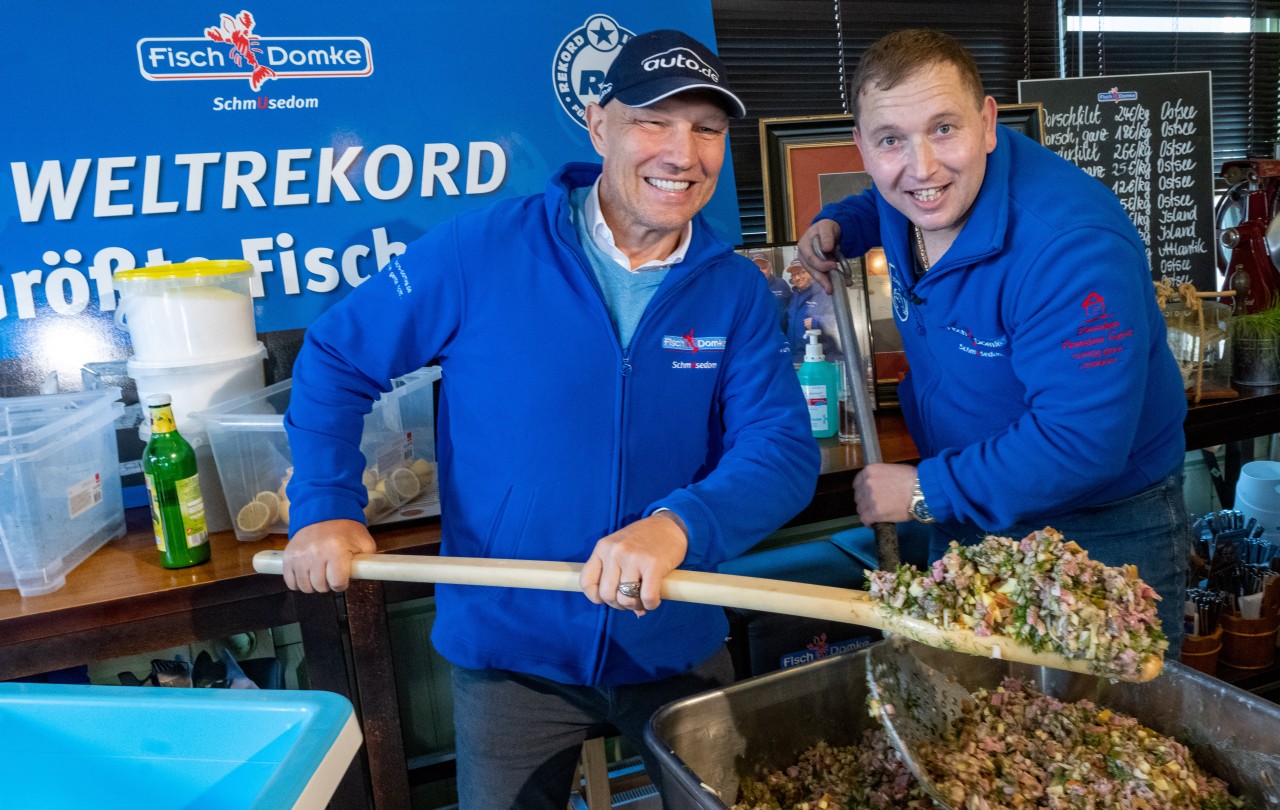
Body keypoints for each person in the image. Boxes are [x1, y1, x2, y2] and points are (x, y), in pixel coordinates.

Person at [281, 29, 820, 809]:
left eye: (706, 129)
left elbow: (781, 451)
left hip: (673, 640)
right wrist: (326, 507)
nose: (683, 152)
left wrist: (678, 525)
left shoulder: (732, 288)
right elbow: (336, 357)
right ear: (599, 124)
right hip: (512, 651)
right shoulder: (481, 250)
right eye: (654, 121)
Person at [797, 28, 1189, 653]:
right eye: (891, 140)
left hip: (1101, 528)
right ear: (864, 147)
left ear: (986, 123)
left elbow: (1080, 444)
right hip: (970, 502)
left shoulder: (1072, 248)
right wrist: (842, 224)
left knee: (1096, 735)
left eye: (943, 128)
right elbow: (891, 197)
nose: (921, 166)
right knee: (981, 726)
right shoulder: (917, 193)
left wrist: (925, 491)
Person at [784, 258, 837, 358]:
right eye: (794, 275)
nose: (797, 277)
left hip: (819, 356)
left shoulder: (824, 293)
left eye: (802, 272)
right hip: (796, 355)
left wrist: (817, 321)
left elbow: (838, 320)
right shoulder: (793, 296)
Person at [751, 250, 791, 328]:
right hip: (759, 334)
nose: (761, 272)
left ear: (770, 267)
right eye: (757, 268)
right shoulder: (748, 288)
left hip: (782, 333)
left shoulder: (781, 284)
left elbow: (792, 307)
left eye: (764, 268)